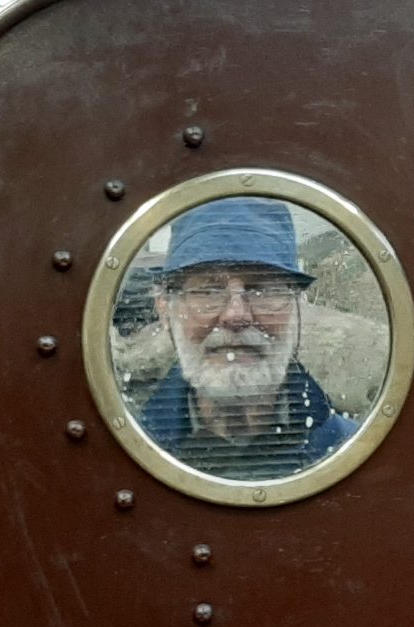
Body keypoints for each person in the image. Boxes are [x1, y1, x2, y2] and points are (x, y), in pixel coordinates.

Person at [138, 196, 357, 479]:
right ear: (165, 309)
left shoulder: (350, 451)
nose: (235, 315)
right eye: (208, 290)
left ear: (297, 306)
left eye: (263, 289)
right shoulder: (127, 452)